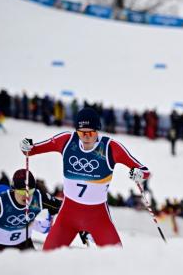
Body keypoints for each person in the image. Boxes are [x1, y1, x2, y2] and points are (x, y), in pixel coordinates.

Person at [19, 107, 151, 250]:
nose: (86, 136)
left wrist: (139, 174)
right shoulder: (66, 141)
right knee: (47, 256)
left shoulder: (110, 148)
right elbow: (31, 150)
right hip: (67, 217)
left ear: (98, 130)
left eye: (91, 132)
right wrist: (25, 145)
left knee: (117, 259)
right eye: (82, 133)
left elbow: (145, 171)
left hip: (98, 218)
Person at [0, 170, 61, 254]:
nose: (27, 196)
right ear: (13, 189)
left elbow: (62, 207)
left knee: (36, 269)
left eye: (30, 191)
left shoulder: (39, 197)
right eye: (22, 192)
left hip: (24, 244)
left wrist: (52, 213)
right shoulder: (1, 202)